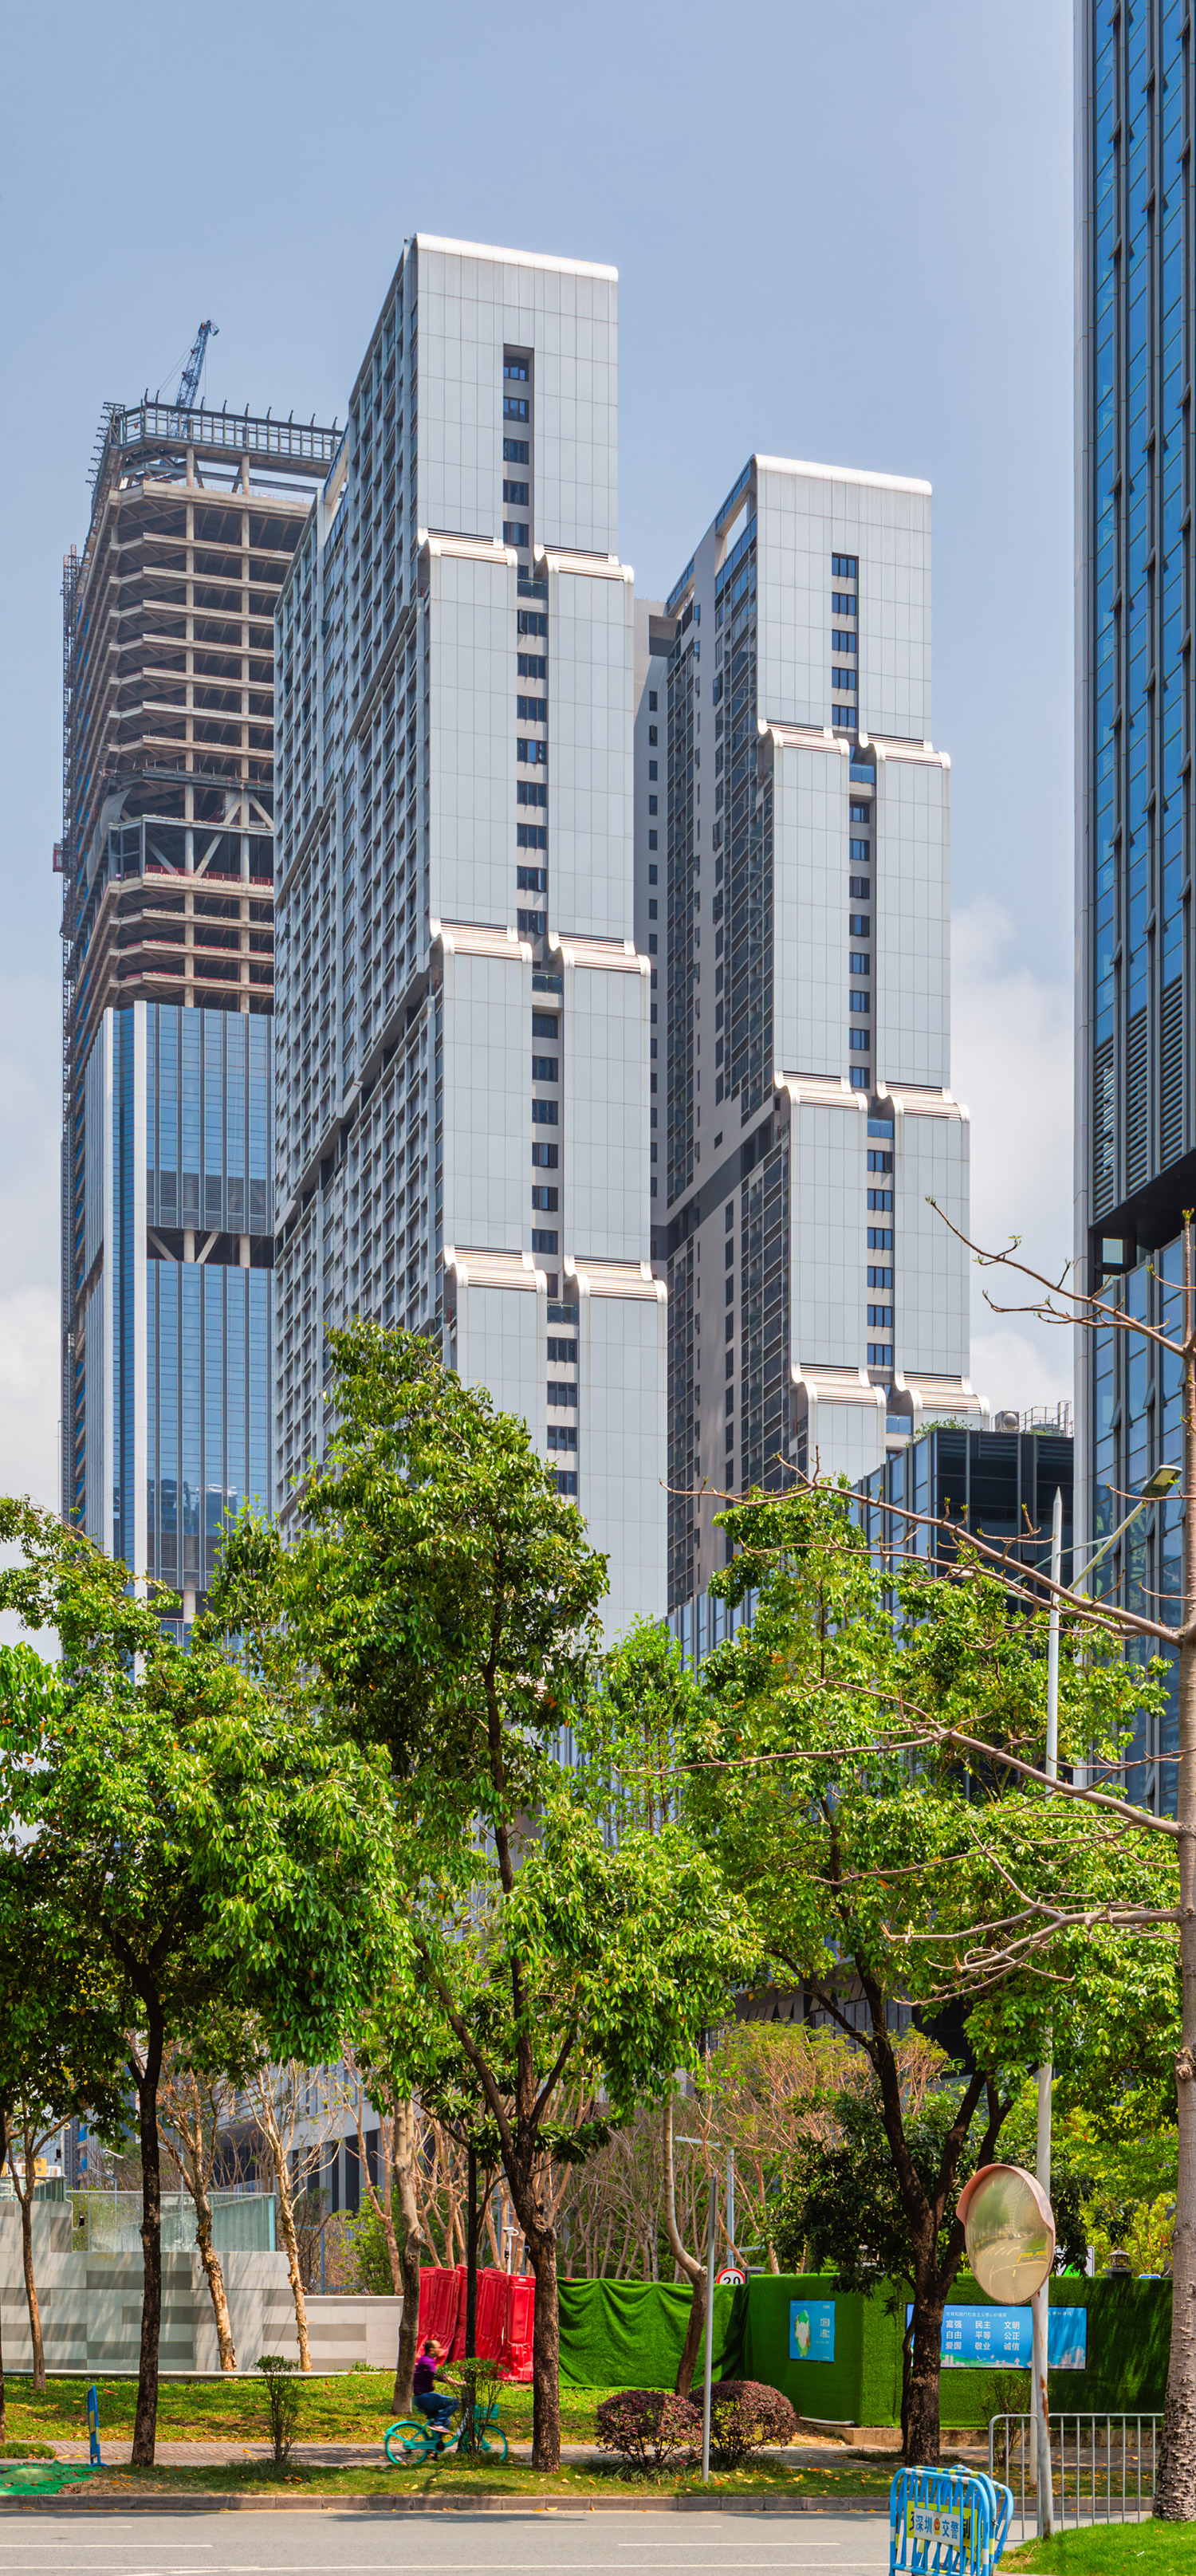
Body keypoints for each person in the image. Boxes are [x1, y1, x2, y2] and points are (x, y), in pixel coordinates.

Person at [412, 2336, 457, 2447]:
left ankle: (434, 2446)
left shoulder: (427, 2360)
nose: (441, 2350)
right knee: (455, 2402)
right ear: (431, 2350)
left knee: (446, 2422)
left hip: (424, 2397)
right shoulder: (426, 2361)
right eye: (439, 2348)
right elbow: (439, 2376)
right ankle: (437, 2423)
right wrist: (457, 2383)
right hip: (424, 2398)